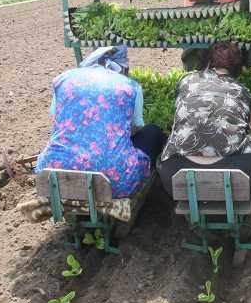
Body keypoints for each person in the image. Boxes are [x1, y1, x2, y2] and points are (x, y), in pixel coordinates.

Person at [157, 42, 251, 232]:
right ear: (238, 67)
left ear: (207, 61)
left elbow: (179, 113)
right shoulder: (244, 92)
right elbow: (250, 129)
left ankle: (194, 220)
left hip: (177, 173)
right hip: (237, 174)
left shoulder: (186, 82)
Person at [36, 46, 166, 198]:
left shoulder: (64, 79)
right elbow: (135, 128)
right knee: (152, 132)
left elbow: (58, 119)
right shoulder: (130, 87)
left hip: (52, 174)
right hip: (114, 181)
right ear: (123, 68)